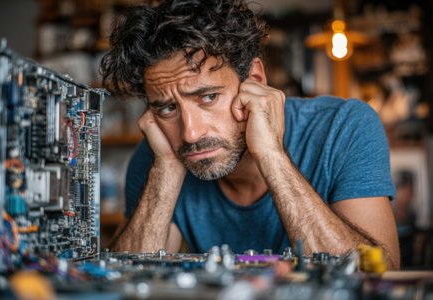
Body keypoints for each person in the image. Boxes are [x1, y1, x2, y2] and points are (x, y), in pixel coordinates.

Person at [100, 0, 400, 269]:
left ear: (254, 80)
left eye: (208, 97)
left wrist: (272, 155)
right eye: (166, 108)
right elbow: (120, 282)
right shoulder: (160, 153)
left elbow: (374, 278)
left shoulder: (344, 126)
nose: (190, 133)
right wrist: (165, 170)